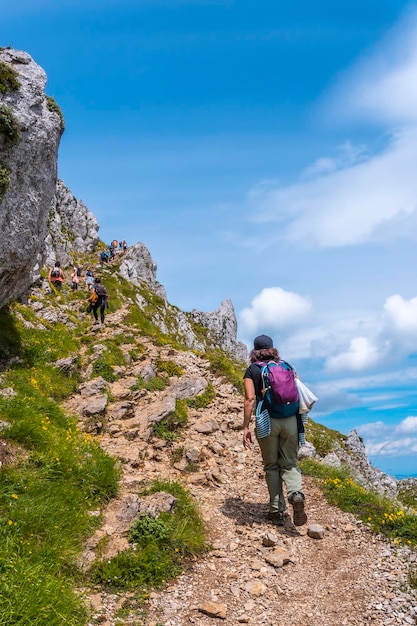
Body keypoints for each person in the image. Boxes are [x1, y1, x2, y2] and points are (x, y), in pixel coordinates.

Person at [243, 334, 307, 527]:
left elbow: (249, 400)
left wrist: (245, 426)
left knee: (271, 466)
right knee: (290, 462)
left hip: (267, 421)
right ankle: (295, 493)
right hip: (290, 420)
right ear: (272, 349)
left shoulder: (252, 370)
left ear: (254, 351)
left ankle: (276, 511)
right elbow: (297, 388)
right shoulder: (287, 366)